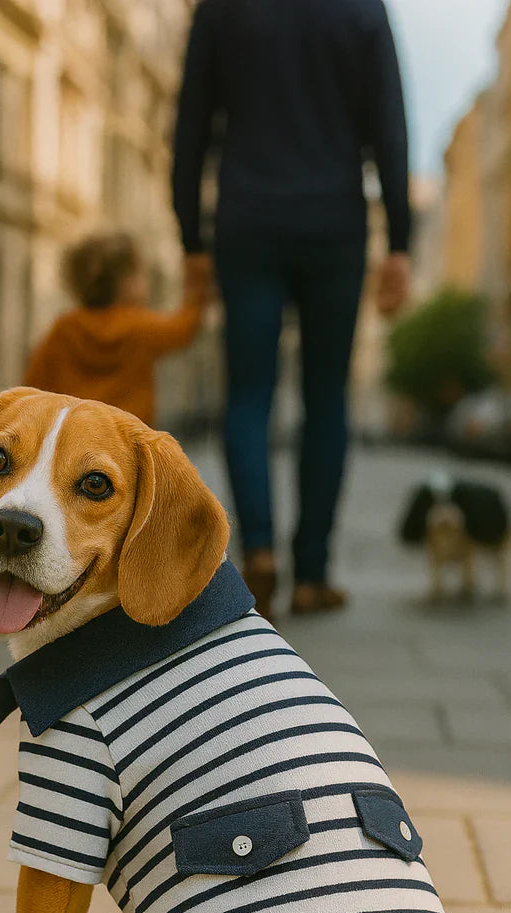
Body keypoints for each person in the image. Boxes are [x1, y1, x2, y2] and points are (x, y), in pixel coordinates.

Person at [172, 0, 411, 619]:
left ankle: (258, 551)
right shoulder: (362, 9)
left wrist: (189, 239)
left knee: (248, 393)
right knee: (326, 396)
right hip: (335, 217)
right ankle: (311, 573)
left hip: (247, 217)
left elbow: (191, 122)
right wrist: (401, 242)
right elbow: (389, 125)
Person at [25, 233, 210, 427]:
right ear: (126, 283)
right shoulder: (138, 327)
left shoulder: (64, 329)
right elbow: (183, 329)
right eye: (140, 274)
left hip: (75, 434)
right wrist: (198, 287)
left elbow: (32, 384)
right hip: (126, 437)